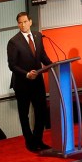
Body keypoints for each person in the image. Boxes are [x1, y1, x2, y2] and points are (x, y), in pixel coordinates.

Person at [7, 11, 52, 152]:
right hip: (22, 83)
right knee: (24, 113)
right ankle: (30, 142)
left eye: (25, 21)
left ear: (30, 22)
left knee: (41, 111)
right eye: (20, 22)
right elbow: (12, 65)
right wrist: (26, 74)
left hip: (37, 81)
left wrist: (53, 66)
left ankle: (38, 139)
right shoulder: (13, 42)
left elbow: (42, 55)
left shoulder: (38, 36)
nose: (23, 25)